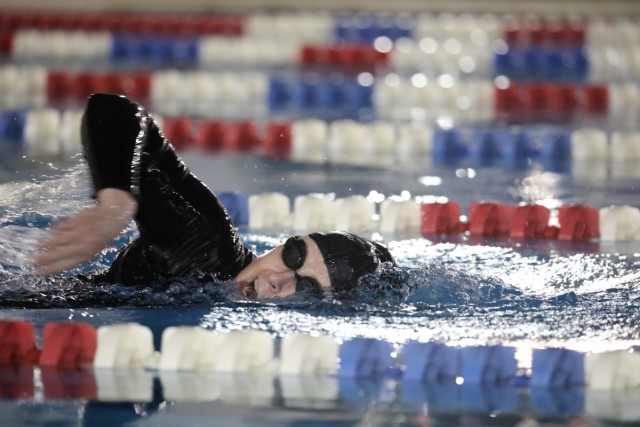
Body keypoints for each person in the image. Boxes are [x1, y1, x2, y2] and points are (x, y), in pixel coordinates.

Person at [35, 93, 395, 300]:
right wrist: (116, 203)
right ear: (283, 242)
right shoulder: (205, 246)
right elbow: (113, 109)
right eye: (294, 255)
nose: (277, 279)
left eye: (307, 289)